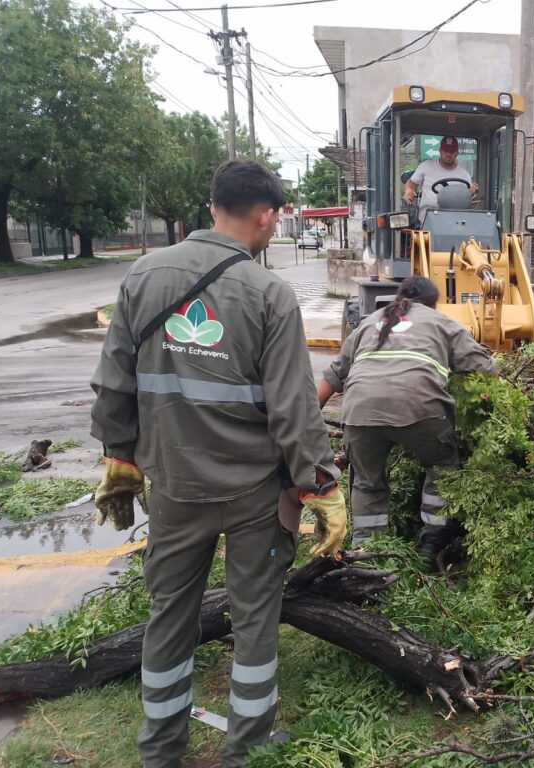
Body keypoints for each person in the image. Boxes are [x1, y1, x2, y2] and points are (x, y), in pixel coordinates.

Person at [90, 159, 346, 768]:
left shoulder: (142, 276)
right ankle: (247, 752)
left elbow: (113, 382)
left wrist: (120, 457)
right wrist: (320, 487)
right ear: (268, 217)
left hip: (175, 488)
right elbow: (294, 409)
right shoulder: (268, 294)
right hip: (254, 494)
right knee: (255, 620)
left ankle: (160, 752)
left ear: (212, 208)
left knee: (168, 616)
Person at [316, 276, 495, 563]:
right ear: (433, 303)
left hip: (360, 412)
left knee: (367, 481)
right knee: (442, 467)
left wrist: (306, 425)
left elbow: (332, 377)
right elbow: (486, 370)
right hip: (421, 409)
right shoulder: (442, 322)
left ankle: (367, 554)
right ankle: (432, 546)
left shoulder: (370, 322)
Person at [404, 135, 479, 221]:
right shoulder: (426, 166)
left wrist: (473, 192)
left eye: (452, 151)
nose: (448, 154)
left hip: (454, 219)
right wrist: (409, 190)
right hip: (427, 217)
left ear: (457, 153)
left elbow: (469, 197)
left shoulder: (464, 175)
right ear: (440, 151)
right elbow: (412, 183)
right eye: (446, 151)